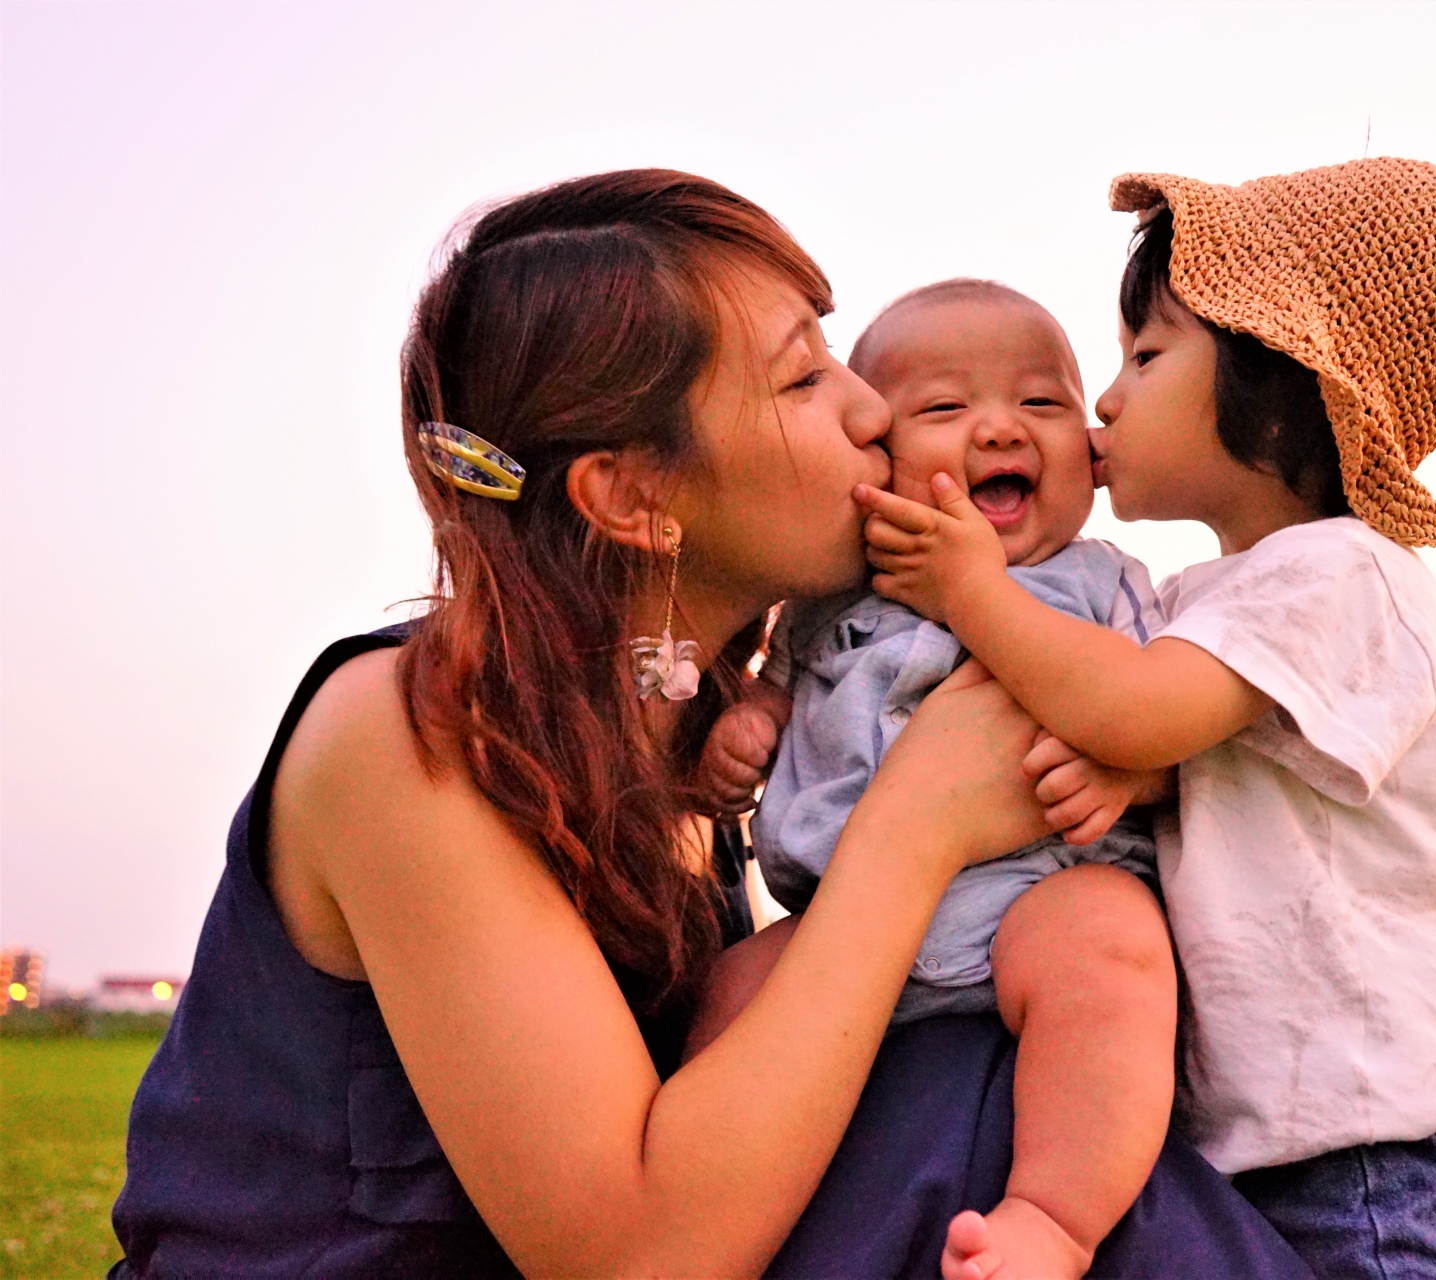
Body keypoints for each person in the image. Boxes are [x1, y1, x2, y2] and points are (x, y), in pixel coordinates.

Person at [111, 169, 1311, 1278]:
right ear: (635, 494)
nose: (870, 413)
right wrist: (913, 826)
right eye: (803, 378)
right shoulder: (406, 734)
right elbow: (637, 1256)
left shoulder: (706, 729)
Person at [856, 158, 1436, 1278]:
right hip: (1256, 1128)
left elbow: (1138, 706)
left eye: (1146, 355)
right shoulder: (1211, 597)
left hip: (1362, 1145)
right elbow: (1194, 746)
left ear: (1282, 375)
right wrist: (1137, 775)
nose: (1106, 399)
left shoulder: (1345, 574)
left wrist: (974, 589)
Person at [695, 279, 1174, 1280]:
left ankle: (1053, 1215)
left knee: (1117, 951)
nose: (1001, 427)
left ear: (1088, 450)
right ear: (877, 458)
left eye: (1043, 402)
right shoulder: (828, 598)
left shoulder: (1099, 582)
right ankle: (717, 1205)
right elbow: (783, 689)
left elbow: (1159, 712)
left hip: (1030, 901)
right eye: (946, 409)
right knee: (736, 984)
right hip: (840, 933)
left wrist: (1130, 763)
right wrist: (750, 725)